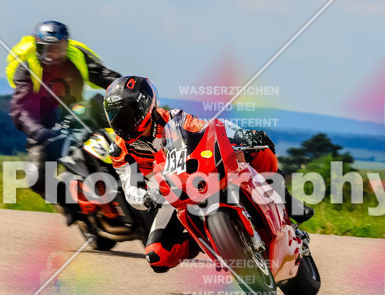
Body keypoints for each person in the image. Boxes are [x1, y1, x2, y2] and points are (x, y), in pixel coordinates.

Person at [102, 75, 313, 273]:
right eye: (114, 116)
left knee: (260, 150)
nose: (120, 122)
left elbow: (212, 127)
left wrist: (241, 134)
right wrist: (146, 197)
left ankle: (286, 202)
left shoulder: (175, 118)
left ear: (144, 106)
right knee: (157, 256)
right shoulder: (118, 150)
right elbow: (129, 189)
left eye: (125, 114)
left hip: (197, 174)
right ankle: (206, 242)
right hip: (167, 197)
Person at [6, 21, 120, 220]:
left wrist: (127, 87)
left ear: (66, 46)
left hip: (78, 115)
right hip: (44, 126)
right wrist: (37, 131)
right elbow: (21, 108)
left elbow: (105, 76)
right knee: (36, 178)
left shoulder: (77, 57)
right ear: (38, 48)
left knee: (122, 135)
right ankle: (70, 205)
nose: (53, 54)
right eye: (47, 49)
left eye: (58, 48)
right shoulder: (27, 67)